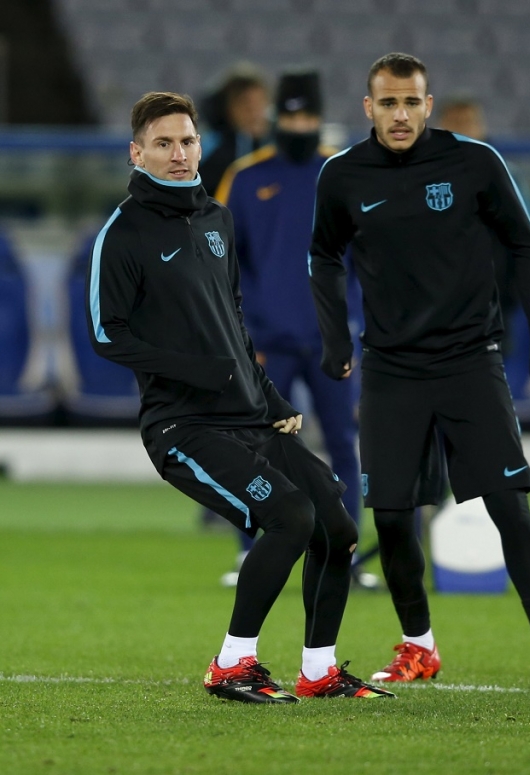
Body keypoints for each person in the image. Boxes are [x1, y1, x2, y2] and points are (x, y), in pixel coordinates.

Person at [87, 91, 391, 703]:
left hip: (249, 416)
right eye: (164, 143)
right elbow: (105, 333)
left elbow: (233, 318)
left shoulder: (216, 218)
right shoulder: (121, 234)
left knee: (335, 520)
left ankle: (319, 670)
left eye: (187, 141)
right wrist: (195, 370)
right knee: (289, 515)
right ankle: (231, 665)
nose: (179, 154)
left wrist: (270, 396)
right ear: (137, 152)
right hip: (182, 426)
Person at [308, 53, 530, 689]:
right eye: (388, 104)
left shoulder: (474, 162)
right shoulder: (343, 175)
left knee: (510, 507)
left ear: (428, 105)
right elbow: (323, 256)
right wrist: (334, 334)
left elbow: (525, 246)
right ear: (368, 108)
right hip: (391, 368)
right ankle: (419, 646)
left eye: (411, 102)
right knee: (391, 516)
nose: (400, 114)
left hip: (470, 360)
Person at [214, 68, 377, 591]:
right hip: (267, 346)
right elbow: (224, 267)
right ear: (276, 119)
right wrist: (245, 341)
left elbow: (364, 262)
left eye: (307, 115)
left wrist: (349, 329)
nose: (299, 124)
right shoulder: (244, 176)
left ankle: (342, 554)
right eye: (291, 116)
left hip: (330, 343)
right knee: (254, 449)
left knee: (343, 446)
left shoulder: (342, 172)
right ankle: (253, 553)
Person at [434, 94, 530, 405]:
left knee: (491, 409)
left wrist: (508, 296)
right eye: (455, 121)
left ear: (483, 126)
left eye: (469, 121)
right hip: (431, 317)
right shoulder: (419, 176)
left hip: (491, 315)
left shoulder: (505, 175)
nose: (463, 129)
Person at [199, 63, 272, 196]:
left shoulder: (278, 145)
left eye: (259, 103)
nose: (254, 112)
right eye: (245, 104)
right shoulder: (212, 147)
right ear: (229, 108)